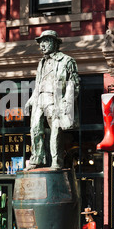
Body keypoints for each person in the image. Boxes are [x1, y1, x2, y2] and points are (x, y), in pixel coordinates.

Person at [25, 30, 80, 170]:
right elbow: (38, 84)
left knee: (55, 131)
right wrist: (31, 100)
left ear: (55, 42)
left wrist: (67, 103)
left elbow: (73, 84)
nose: (42, 45)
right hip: (40, 100)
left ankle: (57, 161)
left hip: (55, 101)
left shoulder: (67, 61)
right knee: (35, 129)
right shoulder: (41, 63)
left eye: (45, 41)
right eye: (40, 43)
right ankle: (37, 159)